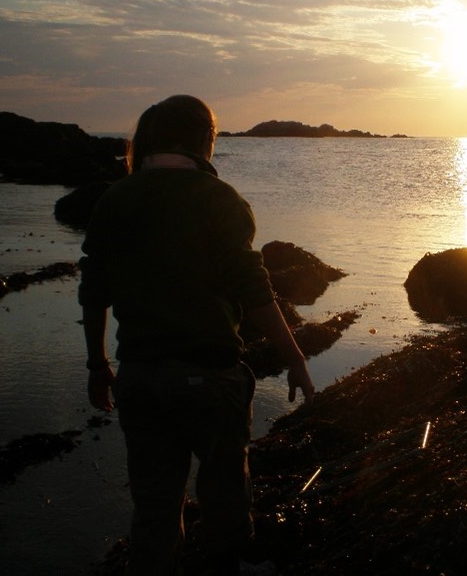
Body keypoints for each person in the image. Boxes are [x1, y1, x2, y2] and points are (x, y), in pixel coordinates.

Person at [79, 95, 315, 574]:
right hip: (210, 379)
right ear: (204, 140)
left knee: (154, 512)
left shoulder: (115, 198)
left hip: (141, 378)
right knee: (226, 509)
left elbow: (93, 291)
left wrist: (98, 364)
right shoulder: (220, 200)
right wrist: (295, 357)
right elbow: (255, 292)